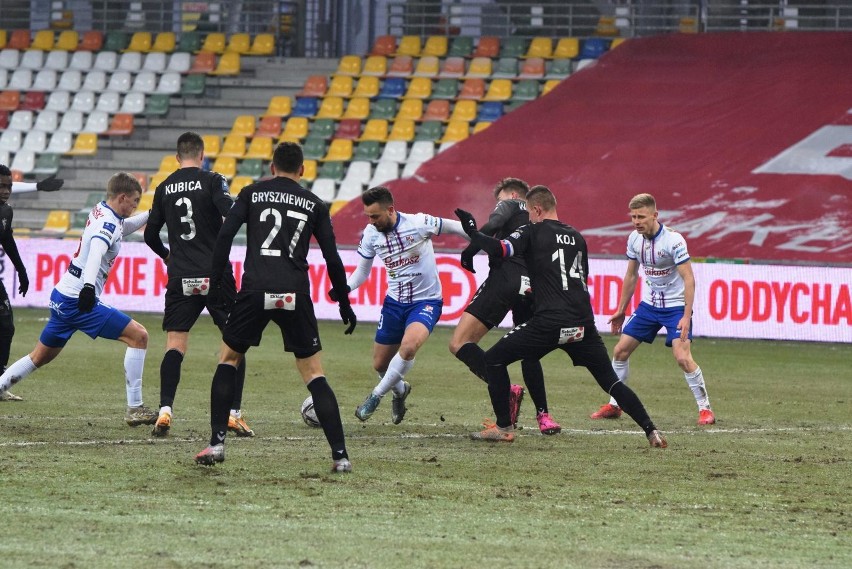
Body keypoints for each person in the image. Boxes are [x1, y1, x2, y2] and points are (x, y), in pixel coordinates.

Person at [455, 186, 667, 448]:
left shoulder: (532, 230)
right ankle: (651, 430)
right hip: (583, 324)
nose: (528, 220)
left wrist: (473, 232)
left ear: (537, 210)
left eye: (530, 215)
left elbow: (501, 249)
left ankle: (503, 427)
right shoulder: (577, 236)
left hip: (549, 322)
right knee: (610, 381)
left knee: (494, 360)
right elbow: (575, 279)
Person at [194, 142, 357, 473]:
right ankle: (340, 456)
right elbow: (332, 256)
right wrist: (343, 300)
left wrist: (215, 283)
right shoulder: (314, 203)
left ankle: (216, 443)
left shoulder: (252, 193)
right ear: (302, 170)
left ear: (271, 167)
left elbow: (225, 236)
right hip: (294, 293)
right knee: (314, 373)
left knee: (228, 359)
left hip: (255, 290)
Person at [0, 172, 158, 426]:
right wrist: (87, 288)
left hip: (63, 294)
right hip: (78, 299)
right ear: (123, 197)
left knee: (39, 356)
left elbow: (122, 229)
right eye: (135, 201)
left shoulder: (103, 211)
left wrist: (152, 213)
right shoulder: (107, 223)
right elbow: (97, 248)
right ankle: (135, 407)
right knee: (139, 336)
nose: (136, 206)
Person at [144, 132, 253, 438]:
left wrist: (167, 255)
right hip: (215, 274)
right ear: (202, 155)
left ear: (177, 157)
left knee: (175, 344)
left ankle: (165, 410)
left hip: (181, 275)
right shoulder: (212, 180)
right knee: (235, 342)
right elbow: (228, 212)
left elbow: (150, 235)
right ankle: (233, 414)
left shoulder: (164, 187)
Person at [337, 186, 470, 425]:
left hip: (426, 301)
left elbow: (456, 227)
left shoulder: (419, 223)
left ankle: (375, 396)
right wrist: (346, 288)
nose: (371, 221)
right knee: (380, 364)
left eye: (375, 216)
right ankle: (400, 391)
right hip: (394, 304)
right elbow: (362, 271)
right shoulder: (371, 235)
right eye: (368, 216)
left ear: (390, 210)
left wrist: (481, 243)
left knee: (408, 347)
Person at [590, 193, 716, 425]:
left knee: (682, 357)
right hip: (649, 305)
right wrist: (621, 309)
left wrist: (686, 317)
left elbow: (689, 279)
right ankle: (615, 404)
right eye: (633, 217)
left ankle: (705, 409)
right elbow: (631, 275)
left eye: (641, 217)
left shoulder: (674, 240)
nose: (637, 221)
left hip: (675, 307)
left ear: (655, 215)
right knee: (620, 351)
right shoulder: (634, 239)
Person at [449, 177, 561, 434]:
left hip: (505, 280)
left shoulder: (511, 204)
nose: (497, 205)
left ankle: (506, 390)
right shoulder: (540, 221)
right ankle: (544, 416)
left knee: (459, 342)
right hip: (532, 286)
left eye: (498, 200)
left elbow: (494, 224)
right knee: (529, 353)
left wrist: (469, 249)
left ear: (512, 195)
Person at [0, 165, 30, 401]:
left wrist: (21, 270)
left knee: (6, 326)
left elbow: (7, 239)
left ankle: (0, 383)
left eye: (9, 186)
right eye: (1, 186)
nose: (6, 190)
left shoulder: (6, 212)